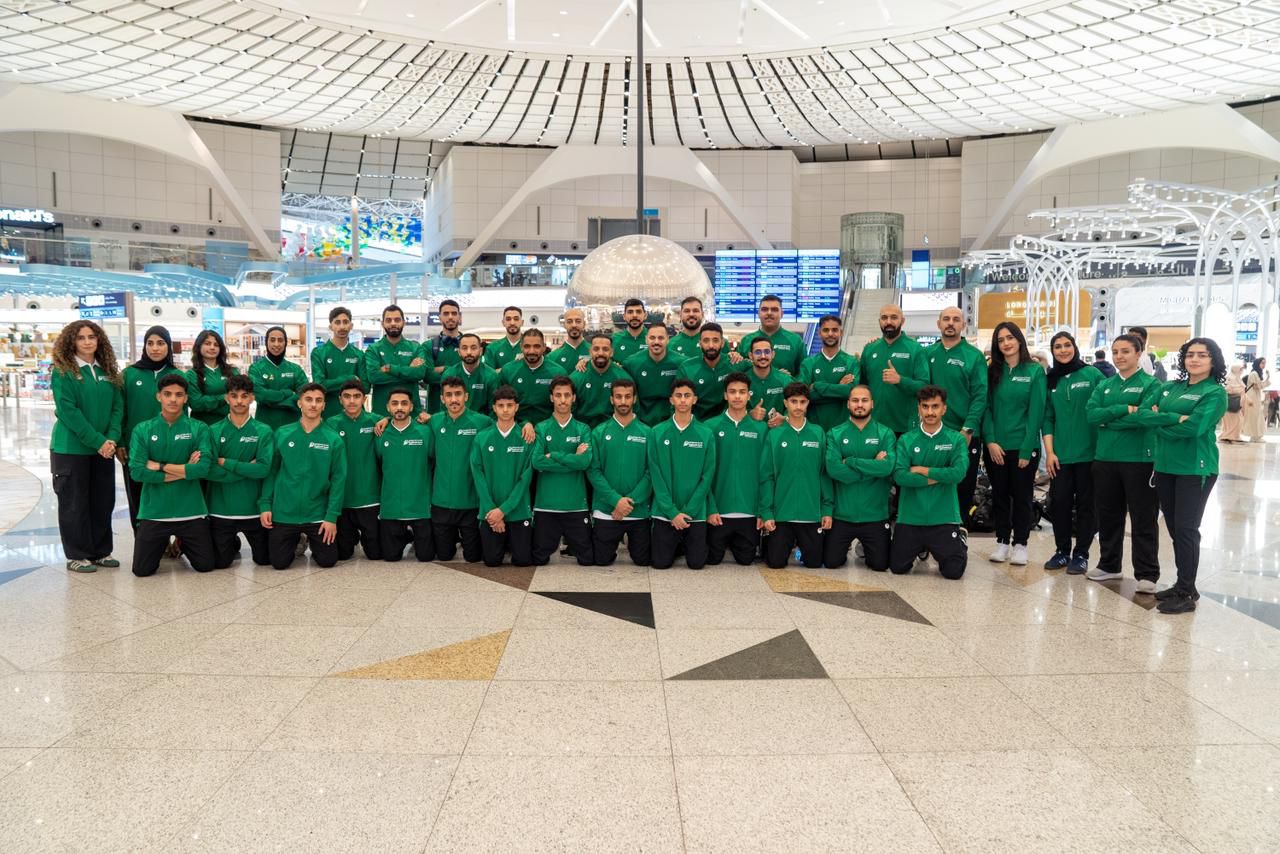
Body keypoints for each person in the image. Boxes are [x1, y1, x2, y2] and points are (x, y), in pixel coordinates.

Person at [1143, 338, 1229, 614]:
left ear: (1213, 361)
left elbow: (1193, 429)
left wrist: (1160, 421)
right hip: (1165, 466)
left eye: (1202, 355)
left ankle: (1185, 593)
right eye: (1190, 354)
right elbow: (1143, 415)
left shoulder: (1214, 393)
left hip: (1195, 468)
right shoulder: (1170, 388)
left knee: (1186, 529)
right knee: (1174, 528)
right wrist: (1172, 419)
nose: (1194, 359)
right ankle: (1185, 584)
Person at [1085, 334, 1163, 593]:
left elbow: (1143, 418)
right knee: (1108, 515)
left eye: (1126, 351)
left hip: (1139, 459)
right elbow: (1091, 415)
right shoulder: (1105, 385)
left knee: (1143, 517)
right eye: (1116, 351)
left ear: (1139, 353)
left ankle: (1147, 573)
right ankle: (1109, 564)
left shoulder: (1151, 385)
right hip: (1105, 458)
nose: (1119, 356)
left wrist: (1109, 420)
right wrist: (1124, 409)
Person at [50, 319, 124, 573]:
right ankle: (77, 555)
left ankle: (101, 551)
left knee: (102, 501)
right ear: (71, 341)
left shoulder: (107, 371)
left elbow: (118, 408)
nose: (87, 341)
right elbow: (68, 411)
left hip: (104, 448)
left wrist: (111, 438)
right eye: (81, 337)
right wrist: (98, 441)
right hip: (71, 449)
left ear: (99, 340)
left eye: (91, 336)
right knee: (74, 503)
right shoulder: (63, 372)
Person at [128, 373, 215, 576]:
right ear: (159, 396)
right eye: (167, 394)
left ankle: (182, 543)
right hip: (154, 512)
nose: (173, 399)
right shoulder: (143, 430)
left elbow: (203, 468)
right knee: (142, 570)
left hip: (191, 510)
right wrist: (186, 470)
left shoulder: (199, 428)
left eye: (179, 394)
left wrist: (159, 466)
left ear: (186, 398)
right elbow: (137, 472)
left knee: (205, 565)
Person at [259, 383, 347, 570]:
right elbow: (272, 471)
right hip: (285, 512)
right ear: (300, 403)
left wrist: (331, 517)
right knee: (279, 563)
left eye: (318, 400)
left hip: (317, 513)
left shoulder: (333, 439)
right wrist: (265, 504)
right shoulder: (282, 433)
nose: (313, 404)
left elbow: (338, 480)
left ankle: (311, 540)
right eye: (308, 400)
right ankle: (297, 540)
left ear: (324, 405)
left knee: (327, 561)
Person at [983, 321, 1046, 566]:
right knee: (999, 495)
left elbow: (1036, 412)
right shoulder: (992, 371)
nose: (1006, 343)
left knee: (1022, 497)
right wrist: (990, 441)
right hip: (996, 448)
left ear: (1019, 340)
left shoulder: (1034, 371)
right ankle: (1002, 541)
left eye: (1010, 338)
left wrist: (1027, 448)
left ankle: (1021, 544)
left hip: (1023, 447)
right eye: (1001, 340)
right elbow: (986, 408)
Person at [890, 386, 969, 579]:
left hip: (943, 516)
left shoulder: (956, 440)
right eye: (925, 406)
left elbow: (958, 473)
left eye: (935, 406)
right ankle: (921, 547)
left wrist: (923, 470)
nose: (930, 412)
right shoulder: (906, 440)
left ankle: (959, 539)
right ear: (919, 408)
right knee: (898, 568)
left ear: (944, 408)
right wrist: (940, 477)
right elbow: (900, 476)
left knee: (953, 572)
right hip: (910, 517)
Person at [1041, 331, 1104, 574]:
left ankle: (1081, 554)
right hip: (1061, 456)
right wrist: (1050, 453)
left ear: (1075, 347)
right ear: (1053, 351)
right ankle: (1061, 551)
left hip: (1089, 454)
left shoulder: (1092, 374)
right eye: (1057, 346)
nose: (1063, 350)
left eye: (1067, 345)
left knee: (1087, 505)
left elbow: (1105, 407)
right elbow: (1048, 418)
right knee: (1060, 503)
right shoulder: (1051, 380)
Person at [925, 306, 988, 525]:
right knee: (933, 485)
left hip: (964, 434)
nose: (950, 323)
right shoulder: (928, 354)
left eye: (956, 319)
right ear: (939, 324)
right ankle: (931, 533)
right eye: (946, 319)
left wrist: (968, 428)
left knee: (962, 487)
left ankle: (957, 533)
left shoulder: (974, 356)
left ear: (963, 325)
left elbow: (980, 395)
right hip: (933, 433)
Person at [759, 383, 832, 569]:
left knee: (814, 564)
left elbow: (824, 473)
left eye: (802, 402)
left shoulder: (818, 433)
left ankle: (803, 548)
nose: (798, 406)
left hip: (810, 514)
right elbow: (767, 476)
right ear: (785, 403)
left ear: (808, 403)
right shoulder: (774, 435)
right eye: (793, 401)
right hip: (782, 514)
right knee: (775, 563)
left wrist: (826, 510)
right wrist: (767, 512)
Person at [205, 374, 274, 569]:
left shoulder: (263, 431)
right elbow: (209, 470)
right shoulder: (213, 431)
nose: (239, 401)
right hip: (221, 511)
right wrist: (248, 468)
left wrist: (225, 462)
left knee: (265, 560)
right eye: (234, 396)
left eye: (244, 396)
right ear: (226, 398)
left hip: (254, 511)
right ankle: (232, 542)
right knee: (220, 563)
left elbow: (263, 469)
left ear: (252, 398)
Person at [824, 385, 896, 571]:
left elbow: (887, 467)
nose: (860, 405)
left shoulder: (885, 433)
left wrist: (850, 461)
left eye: (864, 400)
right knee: (831, 562)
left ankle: (864, 547)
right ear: (848, 404)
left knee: (880, 565)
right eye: (855, 400)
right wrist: (873, 467)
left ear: (872, 403)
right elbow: (834, 469)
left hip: (875, 516)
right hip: (842, 515)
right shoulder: (835, 433)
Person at [649, 379, 717, 570]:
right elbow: (656, 475)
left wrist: (690, 511)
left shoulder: (706, 434)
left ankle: (682, 544)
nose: (683, 400)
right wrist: (672, 512)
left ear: (694, 399)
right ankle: (674, 544)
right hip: (664, 513)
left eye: (687, 396)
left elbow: (707, 477)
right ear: (671, 400)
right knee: (660, 564)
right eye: (678, 396)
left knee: (696, 564)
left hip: (695, 513)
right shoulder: (657, 432)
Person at [587, 378, 653, 566]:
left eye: (627, 396)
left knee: (643, 560)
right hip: (607, 510)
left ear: (634, 399)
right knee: (601, 560)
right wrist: (616, 500)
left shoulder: (648, 433)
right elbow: (594, 471)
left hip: (638, 510)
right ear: (611, 399)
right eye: (618, 397)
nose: (623, 401)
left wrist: (629, 501)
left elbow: (651, 472)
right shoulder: (599, 432)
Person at [530, 376, 595, 565]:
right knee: (539, 560)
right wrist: (573, 458)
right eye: (558, 395)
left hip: (576, 505)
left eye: (567, 395)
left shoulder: (583, 429)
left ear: (573, 398)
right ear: (551, 398)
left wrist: (555, 455)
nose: (563, 400)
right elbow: (537, 462)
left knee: (587, 560)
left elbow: (584, 462)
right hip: (546, 505)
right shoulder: (541, 428)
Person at [119, 325, 178, 531]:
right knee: (137, 495)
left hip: (170, 447)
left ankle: (169, 538)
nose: (155, 348)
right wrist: (120, 442)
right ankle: (143, 539)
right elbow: (119, 411)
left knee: (168, 494)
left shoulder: (176, 375)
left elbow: (184, 413)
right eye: (150, 343)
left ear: (168, 346)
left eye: (160, 343)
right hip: (135, 448)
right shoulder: (129, 374)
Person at [705, 372, 767, 566]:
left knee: (746, 560)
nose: (737, 396)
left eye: (742, 392)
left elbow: (766, 474)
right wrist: (710, 508)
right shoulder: (710, 427)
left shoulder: (761, 429)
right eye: (732, 392)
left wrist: (763, 511)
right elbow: (704, 474)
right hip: (718, 512)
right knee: (712, 560)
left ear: (749, 395)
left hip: (749, 512)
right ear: (725, 395)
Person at [431, 376, 494, 562]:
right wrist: (385, 420)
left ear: (466, 396)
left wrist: (527, 425)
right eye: (449, 395)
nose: (454, 399)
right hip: (441, 502)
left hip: (470, 503)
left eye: (458, 394)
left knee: (473, 557)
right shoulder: (434, 421)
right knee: (444, 556)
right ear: (442, 399)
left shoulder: (482, 422)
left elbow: (506, 426)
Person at [471, 385, 535, 567]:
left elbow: (525, 479)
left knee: (522, 561)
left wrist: (503, 510)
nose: (505, 410)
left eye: (509, 405)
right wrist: (493, 511)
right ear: (494, 408)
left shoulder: (527, 438)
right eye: (501, 405)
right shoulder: (482, 438)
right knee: (491, 561)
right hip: (490, 512)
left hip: (518, 511)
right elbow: (478, 475)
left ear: (516, 407)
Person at [375, 388, 435, 562]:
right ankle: (405, 536)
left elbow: (434, 462)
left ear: (411, 407)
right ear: (388, 407)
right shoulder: (380, 434)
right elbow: (378, 465)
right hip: (391, 508)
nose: (399, 408)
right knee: (390, 557)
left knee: (426, 557)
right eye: (395, 404)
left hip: (420, 507)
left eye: (404, 403)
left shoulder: (425, 432)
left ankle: (414, 536)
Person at [327, 379, 382, 561]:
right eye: (347, 396)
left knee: (376, 554)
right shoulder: (331, 424)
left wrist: (388, 419)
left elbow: (400, 421)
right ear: (340, 399)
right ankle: (351, 538)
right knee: (342, 555)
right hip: (343, 501)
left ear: (364, 399)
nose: (352, 401)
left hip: (370, 499)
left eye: (357, 396)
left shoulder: (376, 421)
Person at [861, 304, 929, 435]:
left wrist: (900, 380)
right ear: (879, 321)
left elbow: (924, 387)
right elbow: (862, 386)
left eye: (894, 317)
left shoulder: (915, 349)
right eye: (884, 318)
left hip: (904, 427)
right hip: (873, 425)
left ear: (902, 321)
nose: (888, 322)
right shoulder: (870, 349)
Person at [365, 304, 429, 416]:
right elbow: (373, 376)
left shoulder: (416, 348)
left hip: (411, 415)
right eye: (388, 320)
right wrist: (408, 370)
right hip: (381, 415)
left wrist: (390, 369)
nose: (393, 323)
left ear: (404, 322)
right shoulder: (373, 349)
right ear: (382, 324)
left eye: (397, 320)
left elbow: (419, 373)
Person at [798, 314, 859, 431]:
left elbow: (851, 393)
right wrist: (839, 388)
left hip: (843, 429)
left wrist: (817, 386)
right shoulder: (809, 363)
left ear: (841, 332)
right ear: (819, 333)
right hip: (813, 428)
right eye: (826, 330)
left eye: (834, 330)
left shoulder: (851, 362)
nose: (830, 334)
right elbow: (804, 395)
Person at [501, 328, 567, 426]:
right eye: (527, 346)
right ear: (521, 347)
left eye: (536, 346)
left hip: (549, 427)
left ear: (544, 347)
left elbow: (565, 406)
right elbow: (500, 404)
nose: (531, 351)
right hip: (516, 426)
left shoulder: (557, 372)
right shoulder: (508, 371)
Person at [311, 306, 366, 419]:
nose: (342, 327)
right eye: (337, 322)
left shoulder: (359, 354)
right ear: (330, 326)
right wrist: (350, 379)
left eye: (345, 322)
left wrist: (332, 384)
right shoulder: (319, 353)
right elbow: (320, 385)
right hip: (328, 414)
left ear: (351, 326)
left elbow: (366, 386)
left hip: (356, 415)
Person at [248, 325, 305, 429]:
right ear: (266, 342)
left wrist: (270, 402)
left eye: (280, 340)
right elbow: (260, 395)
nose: (276, 344)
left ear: (285, 343)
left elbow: (304, 395)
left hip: (292, 425)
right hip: (265, 425)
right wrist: (287, 393)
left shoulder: (295, 369)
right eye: (272, 340)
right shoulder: (256, 368)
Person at [674, 322, 734, 420]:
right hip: (695, 423)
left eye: (715, 340)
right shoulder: (687, 368)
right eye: (706, 341)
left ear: (722, 343)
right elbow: (678, 401)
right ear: (700, 343)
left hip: (727, 423)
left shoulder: (733, 363)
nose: (711, 345)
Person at [624, 323, 680, 426]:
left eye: (661, 338)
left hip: (672, 421)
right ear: (646, 340)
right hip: (640, 422)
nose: (656, 342)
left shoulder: (680, 363)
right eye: (652, 338)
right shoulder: (632, 363)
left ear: (668, 340)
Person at [734, 294, 805, 375]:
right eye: (764, 309)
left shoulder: (796, 341)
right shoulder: (746, 341)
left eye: (774, 309)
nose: (769, 313)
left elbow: (804, 374)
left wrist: (787, 379)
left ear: (782, 314)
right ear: (758, 313)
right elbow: (737, 372)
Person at [572, 334, 632, 428]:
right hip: (584, 430)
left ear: (612, 352)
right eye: (596, 349)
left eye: (605, 349)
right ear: (590, 352)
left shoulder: (623, 378)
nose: (600, 353)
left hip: (613, 430)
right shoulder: (576, 378)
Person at [186, 329, 238, 425]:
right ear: (199, 346)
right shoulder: (191, 375)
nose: (212, 347)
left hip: (229, 425)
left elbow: (239, 397)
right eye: (207, 343)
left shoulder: (232, 371)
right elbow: (196, 403)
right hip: (203, 427)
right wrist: (224, 398)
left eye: (216, 345)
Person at [442, 332, 501, 415]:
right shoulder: (449, 374)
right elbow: (444, 409)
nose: (469, 352)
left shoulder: (491, 376)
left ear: (481, 351)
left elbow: (494, 410)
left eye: (473, 348)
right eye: (464, 348)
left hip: (482, 422)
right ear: (459, 351)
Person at [424, 299, 463, 414]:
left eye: (454, 313)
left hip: (465, 410)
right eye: (446, 314)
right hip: (436, 411)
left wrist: (442, 369)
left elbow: (473, 375)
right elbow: (428, 376)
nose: (450, 317)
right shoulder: (428, 346)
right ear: (440, 317)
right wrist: (455, 371)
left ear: (459, 317)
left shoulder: (470, 345)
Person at [745, 337, 790, 429]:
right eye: (758, 352)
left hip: (778, 433)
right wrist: (749, 414)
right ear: (750, 355)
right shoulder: (742, 380)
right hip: (749, 432)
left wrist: (785, 418)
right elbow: (731, 409)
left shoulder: (785, 380)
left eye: (767, 352)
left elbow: (797, 406)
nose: (763, 356)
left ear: (773, 354)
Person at [483, 306, 525, 371]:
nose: (512, 323)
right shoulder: (492, 348)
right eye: (508, 319)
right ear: (503, 323)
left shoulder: (531, 346)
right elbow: (488, 374)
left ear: (522, 322)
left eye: (516, 319)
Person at [548, 307, 590, 372]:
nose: (574, 325)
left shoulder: (595, 353)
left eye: (578, 321)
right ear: (564, 325)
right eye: (569, 322)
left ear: (584, 324)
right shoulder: (552, 357)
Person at [669, 296, 706, 361]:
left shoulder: (716, 343)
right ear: (680, 315)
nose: (691, 314)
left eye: (695, 311)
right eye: (687, 311)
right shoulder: (670, 345)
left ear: (702, 315)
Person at [612, 298, 649, 362]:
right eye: (630, 312)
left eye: (638, 312)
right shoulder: (614, 340)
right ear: (624, 316)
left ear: (645, 315)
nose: (634, 315)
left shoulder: (654, 339)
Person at [1219, 364, 1246, 443]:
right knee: (1231, 421)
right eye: (1240, 369)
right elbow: (1227, 389)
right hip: (1231, 402)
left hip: (1237, 403)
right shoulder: (1230, 378)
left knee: (1238, 420)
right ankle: (1227, 436)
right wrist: (1238, 390)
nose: (1241, 371)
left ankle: (1234, 436)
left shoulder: (1237, 378)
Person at [1245, 356, 1269, 441]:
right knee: (1254, 416)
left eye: (1264, 363)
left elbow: (1258, 386)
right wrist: (1267, 380)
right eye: (1262, 363)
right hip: (1252, 396)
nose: (1263, 365)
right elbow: (1256, 386)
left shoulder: (1256, 373)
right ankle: (1255, 436)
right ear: (1257, 363)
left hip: (1255, 396)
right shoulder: (1254, 373)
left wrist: (1266, 379)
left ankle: (1256, 436)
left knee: (1256, 415)